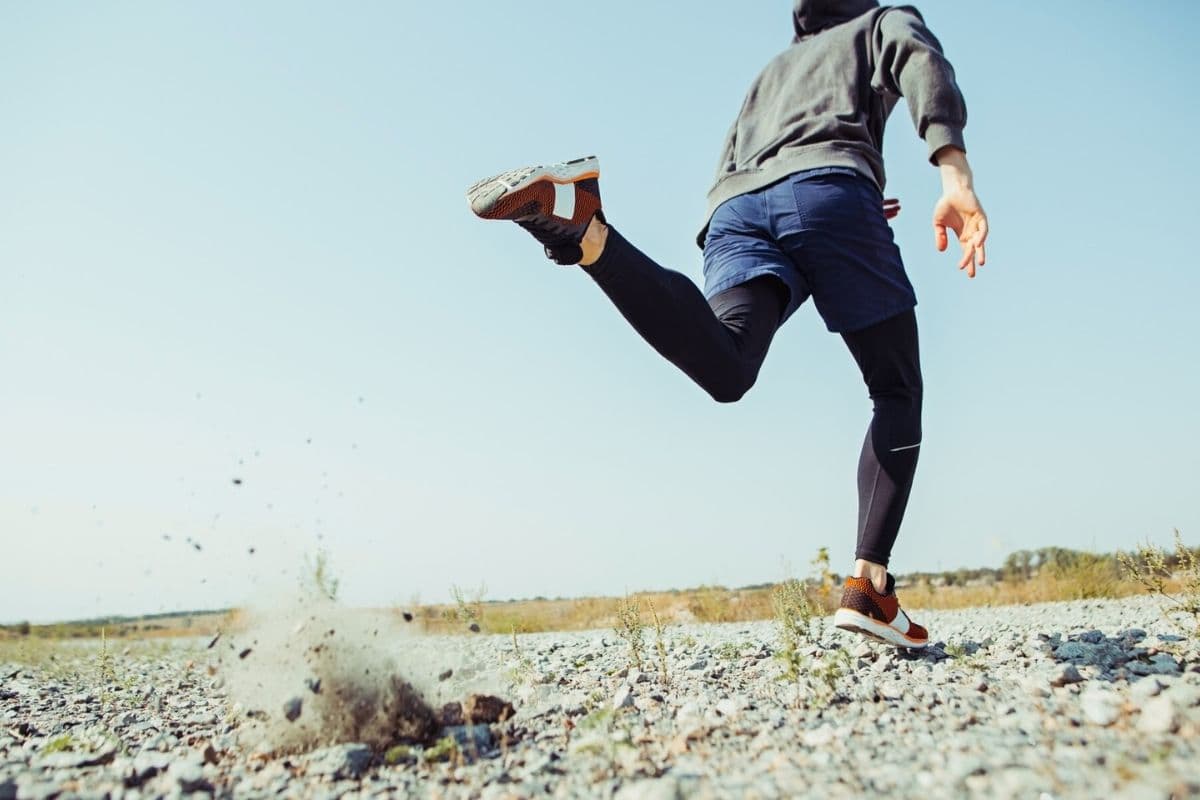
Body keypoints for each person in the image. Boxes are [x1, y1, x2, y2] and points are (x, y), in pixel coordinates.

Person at [466, 0, 988, 649]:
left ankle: (589, 231)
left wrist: (832, 195)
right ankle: (868, 586)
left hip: (737, 209)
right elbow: (919, 60)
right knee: (897, 389)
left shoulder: (774, 69)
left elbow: (758, 164)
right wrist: (951, 173)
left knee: (727, 363)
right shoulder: (878, 22)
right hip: (828, 195)